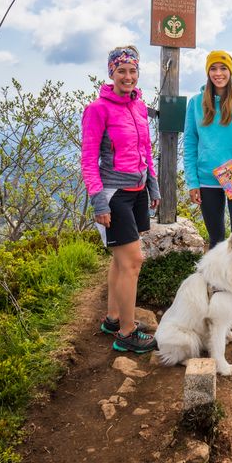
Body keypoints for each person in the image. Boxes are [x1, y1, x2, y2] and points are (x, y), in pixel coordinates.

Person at [81, 45, 160, 353]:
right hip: (114, 195)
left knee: (120, 259)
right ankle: (127, 333)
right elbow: (89, 160)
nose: (128, 76)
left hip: (137, 192)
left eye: (132, 71)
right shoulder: (97, 109)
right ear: (111, 73)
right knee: (133, 262)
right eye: (121, 71)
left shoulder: (139, 107)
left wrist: (152, 186)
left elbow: (145, 151)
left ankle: (114, 318)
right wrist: (98, 202)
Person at [184, 50, 232, 245]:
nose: (218, 73)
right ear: (208, 72)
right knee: (216, 241)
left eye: (223, 68)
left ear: (230, 71)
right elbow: (190, 144)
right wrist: (193, 182)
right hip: (207, 180)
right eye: (213, 68)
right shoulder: (195, 103)